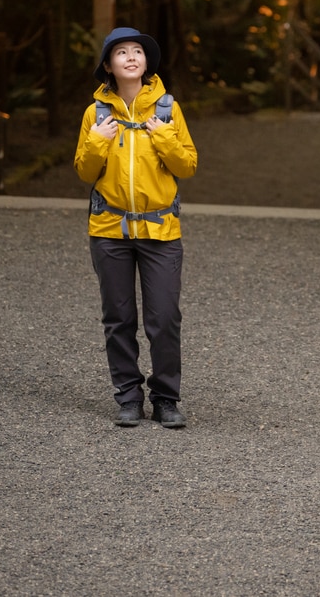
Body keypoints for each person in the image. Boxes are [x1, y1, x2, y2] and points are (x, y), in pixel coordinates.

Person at [74, 27, 198, 428]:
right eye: (121, 52)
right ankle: (128, 397)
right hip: (108, 228)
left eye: (138, 51)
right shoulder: (95, 114)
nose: (130, 57)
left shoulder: (166, 109)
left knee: (164, 319)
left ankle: (165, 399)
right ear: (109, 65)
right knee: (118, 318)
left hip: (161, 232)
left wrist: (163, 138)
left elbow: (188, 166)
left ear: (147, 63)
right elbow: (84, 171)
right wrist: (97, 140)